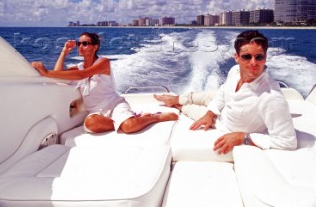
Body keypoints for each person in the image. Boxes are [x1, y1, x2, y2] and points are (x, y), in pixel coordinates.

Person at [154, 30, 297, 154]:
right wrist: (210, 113)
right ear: (236, 57)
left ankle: (177, 105)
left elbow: (288, 142)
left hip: (223, 123)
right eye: (246, 57)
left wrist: (243, 137)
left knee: (189, 108)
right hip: (224, 100)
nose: (253, 63)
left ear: (265, 58)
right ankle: (175, 99)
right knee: (196, 96)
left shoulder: (272, 98)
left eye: (259, 57)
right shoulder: (234, 71)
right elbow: (223, 92)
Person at [32, 32, 178, 134]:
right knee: (90, 124)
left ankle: (153, 117)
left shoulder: (103, 63)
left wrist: (47, 72)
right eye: (78, 44)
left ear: (95, 47)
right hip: (95, 112)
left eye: (85, 43)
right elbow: (60, 76)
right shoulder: (78, 67)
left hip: (114, 104)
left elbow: (83, 74)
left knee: (129, 127)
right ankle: (120, 122)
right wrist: (64, 52)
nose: (80, 46)